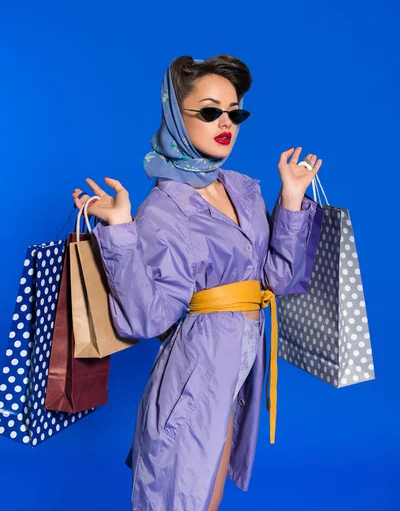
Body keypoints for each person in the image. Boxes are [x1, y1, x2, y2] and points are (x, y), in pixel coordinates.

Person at [72, 55, 323, 511]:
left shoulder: (242, 188)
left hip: (234, 368)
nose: (225, 122)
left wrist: (291, 198)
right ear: (176, 115)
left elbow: (278, 279)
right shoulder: (164, 208)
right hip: (195, 374)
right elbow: (147, 319)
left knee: (207, 492)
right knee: (178, 495)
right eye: (209, 111)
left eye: (235, 111)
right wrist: (120, 229)